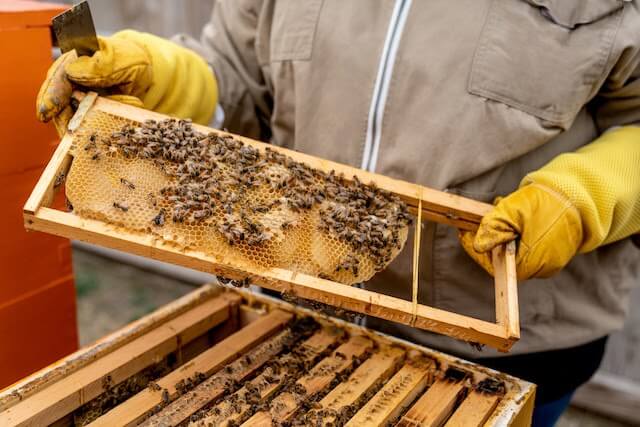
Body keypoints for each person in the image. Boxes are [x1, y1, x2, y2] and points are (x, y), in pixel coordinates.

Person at [36, 2, 640, 425]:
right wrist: (171, 79)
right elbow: (239, 77)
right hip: (303, 313)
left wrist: (588, 194)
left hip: (513, 343)